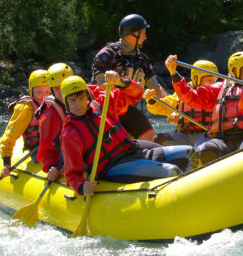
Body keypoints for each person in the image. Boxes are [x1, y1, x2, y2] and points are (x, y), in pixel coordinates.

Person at [60, 76, 194, 194]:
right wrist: (81, 187)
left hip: (134, 152)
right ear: (66, 102)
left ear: (87, 96)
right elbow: (72, 174)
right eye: (72, 100)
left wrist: (120, 81)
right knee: (172, 171)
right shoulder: (70, 133)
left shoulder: (103, 104)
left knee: (191, 153)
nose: (78, 105)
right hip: (113, 167)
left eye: (81, 98)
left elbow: (136, 93)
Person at [165, 51, 243, 165]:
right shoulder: (220, 89)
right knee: (207, 150)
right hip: (223, 137)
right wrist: (174, 73)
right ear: (236, 71)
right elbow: (190, 97)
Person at [91, 14, 166, 142]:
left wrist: (173, 106)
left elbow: (156, 87)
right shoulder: (106, 55)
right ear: (133, 33)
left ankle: (143, 159)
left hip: (126, 108)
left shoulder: (142, 59)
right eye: (143, 33)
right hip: (104, 107)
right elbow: (101, 86)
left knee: (149, 135)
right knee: (119, 138)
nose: (145, 37)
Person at [144, 60, 218, 147]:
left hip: (205, 135)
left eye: (215, 80)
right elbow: (160, 107)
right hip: (184, 135)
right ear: (196, 78)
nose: (213, 83)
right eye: (210, 80)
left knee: (204, 147)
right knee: (159, 139)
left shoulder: (215, 94)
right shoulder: (183, 94)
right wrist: (151, 100)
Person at [0, 69, 50, 177]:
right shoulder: (26, 108)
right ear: (32, 91)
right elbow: (10, 136)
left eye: (47, 91)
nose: (44, 95)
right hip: (38, 152)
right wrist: (6, 164)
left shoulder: (55, 103)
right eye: (39, 92)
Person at [36, 62, 74, 182]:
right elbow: (46, 149)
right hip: (67, 156)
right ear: (52, 90)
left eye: (65, 87)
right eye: (57, 89)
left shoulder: (84, 98)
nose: (62, 93)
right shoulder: (50, 114)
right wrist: (51, 166)